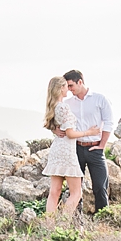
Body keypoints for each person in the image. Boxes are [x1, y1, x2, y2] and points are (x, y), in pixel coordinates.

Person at [41, 75, 100, 218]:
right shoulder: (63, 107)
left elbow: (50, 125)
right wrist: (89, 132)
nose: (68, 88)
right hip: (67, 151)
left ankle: (49, 225)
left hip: (56, 150)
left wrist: (55, 129)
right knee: (76, 193)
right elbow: (70, 133)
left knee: (54, 192)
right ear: (61, 88)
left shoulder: (52, 106)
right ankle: (63, 222)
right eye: (66, 86)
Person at [62, 69, 114, 212]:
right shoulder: (67, 103)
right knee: (75, 188)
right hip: (76, 148)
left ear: (80, 82)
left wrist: (102, 145)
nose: (69, 89)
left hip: (95, 148)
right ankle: (77, 222)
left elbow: (109, 122)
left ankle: (103, 220)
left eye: (71, 85)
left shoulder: (100, 99)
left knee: (100, 186)